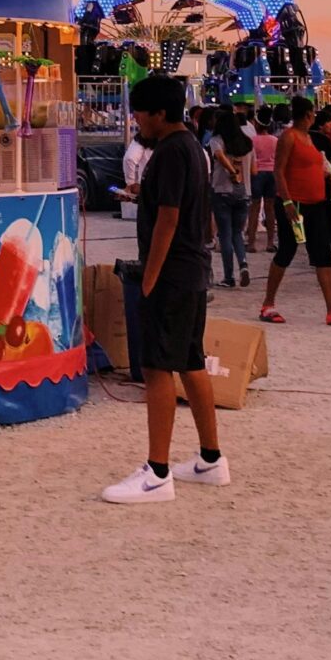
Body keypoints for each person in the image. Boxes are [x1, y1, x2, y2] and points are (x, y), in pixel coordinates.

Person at [101, 75, 225, 505]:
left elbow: (169, 219)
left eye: (138, 111)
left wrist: (149, 277)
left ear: (158, 113)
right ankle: (211, 457)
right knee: (191, 361)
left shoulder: (171, 151)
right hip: (192, 270)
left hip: (171, 274)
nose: (135, 119)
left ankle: (156, 471)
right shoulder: (191, 146)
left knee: (157, 367)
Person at [256, 97, 331, 327]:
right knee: (287, 251)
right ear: (308, 114)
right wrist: (287, 202)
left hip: (316, 203)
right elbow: (279, 170)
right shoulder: (289, 137)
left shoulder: (309, 138)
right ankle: (268, 303)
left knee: (323, 254)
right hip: (296, 204)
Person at [204, 107, 252, 289]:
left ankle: (229, 276)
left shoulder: (216, 141)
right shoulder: (247, 143)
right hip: (244, 192)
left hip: (222, 190)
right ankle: (244, 264)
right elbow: (253, 169)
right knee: (237, 233)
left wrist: (232, 171)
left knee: (225, 234)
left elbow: (218, 156)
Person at [246, 111, 278, 253]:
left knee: (254, 208)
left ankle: (251, 243)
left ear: (257, 124)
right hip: (272, 174)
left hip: (257, 173)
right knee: (270, 209)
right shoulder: (275, 140)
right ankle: (270, 243)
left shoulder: (252, 140)